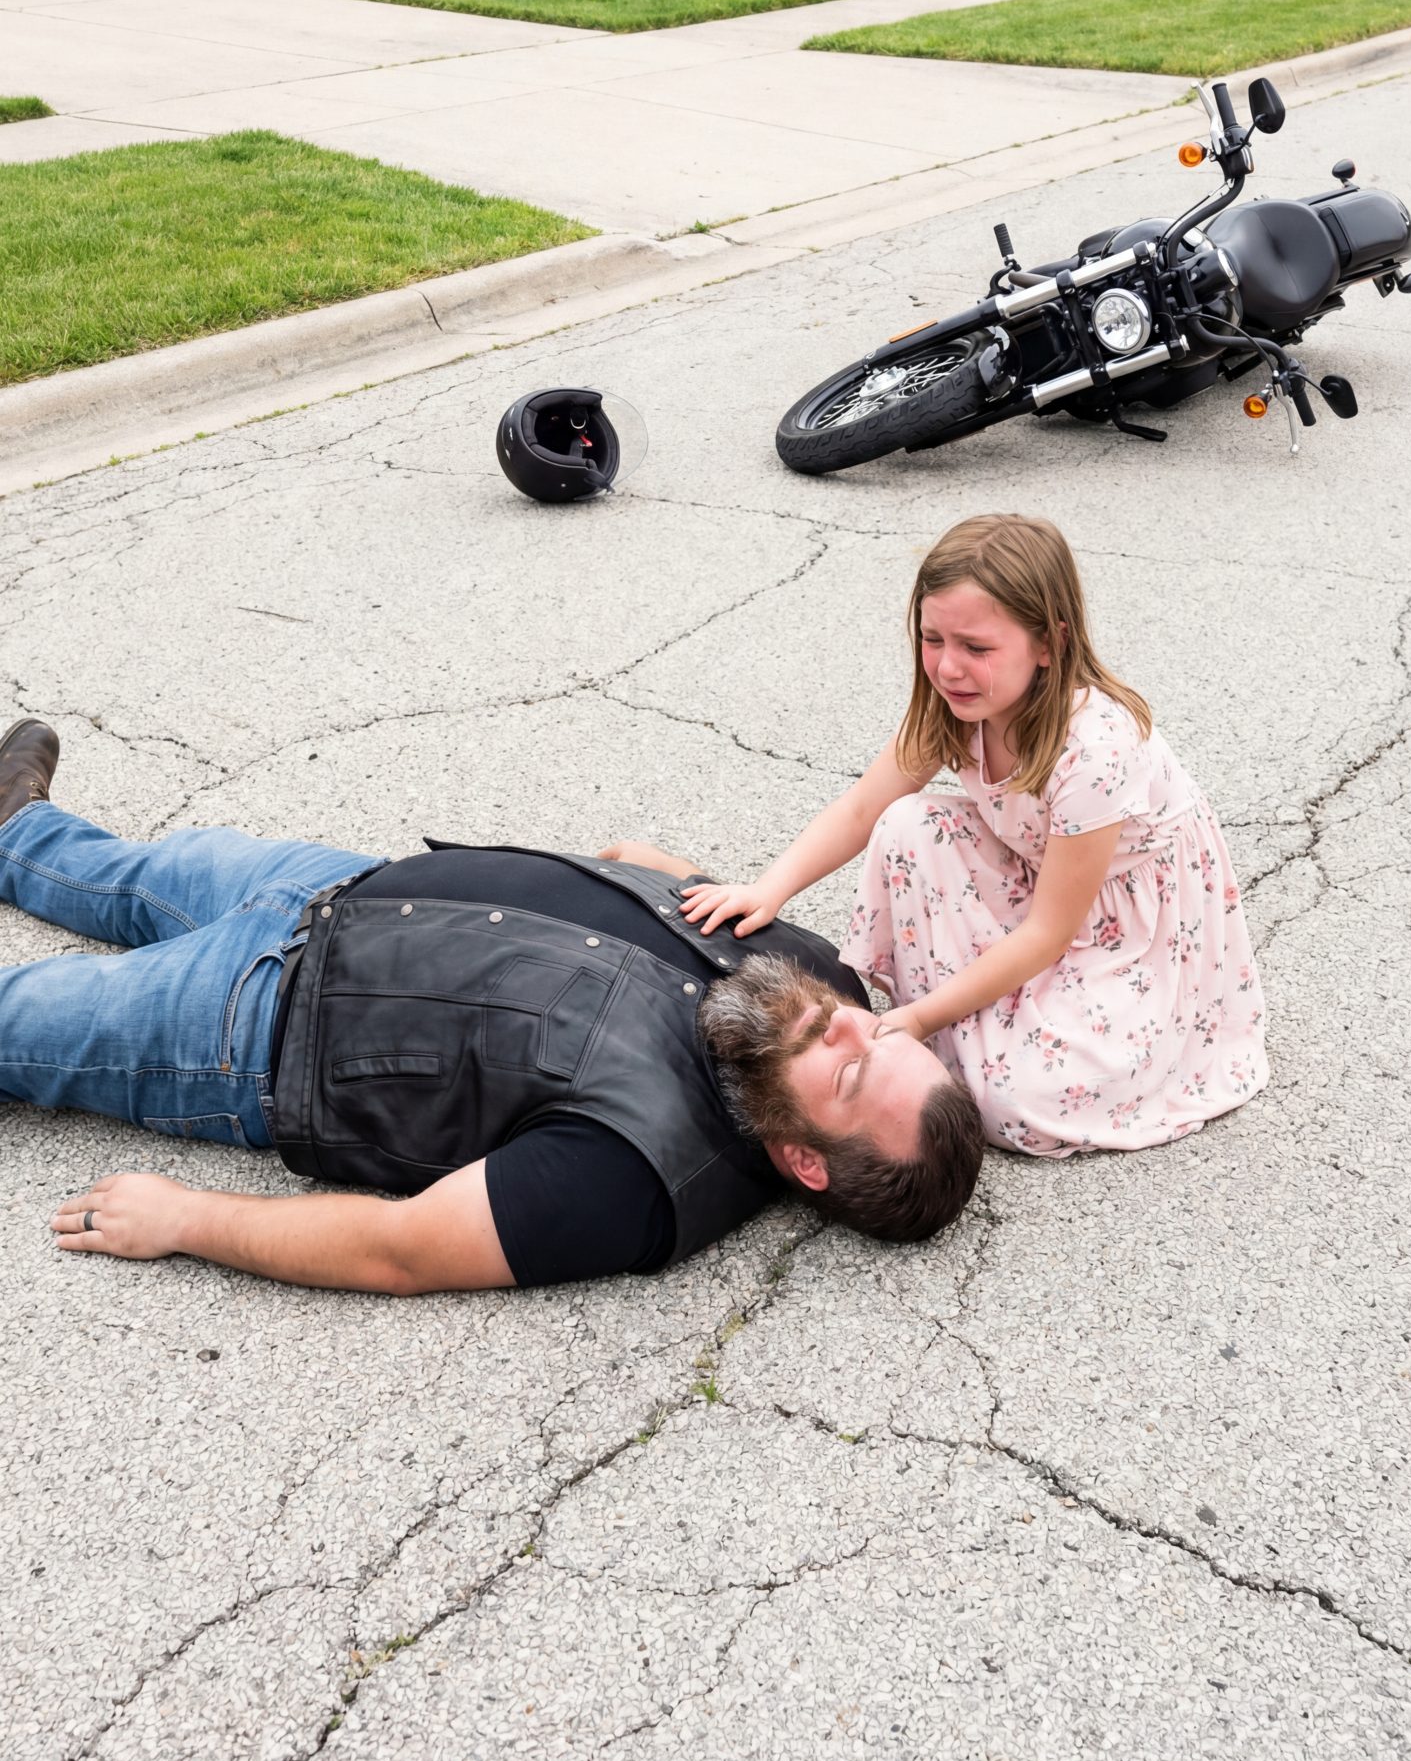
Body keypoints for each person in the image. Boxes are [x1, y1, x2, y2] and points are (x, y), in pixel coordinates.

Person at [0, 721, 983, 1291]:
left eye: (854, 1066)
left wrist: (188, 1220)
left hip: (253, 1028)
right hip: (354, 888)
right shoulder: (821, 993)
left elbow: (404, 1248)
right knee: (136, 875)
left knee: (18, 1017)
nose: (850, 1019)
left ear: (803, 1158)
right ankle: (22, 829)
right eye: (886, 1030)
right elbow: (682, 886)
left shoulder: (638, 1184)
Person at [682, 513, 1268, 1157]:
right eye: (933, 639)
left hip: (1121, 919)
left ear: (1050, 643)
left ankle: (964, 1025)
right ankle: (976, 1023)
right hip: (1037, 869)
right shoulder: (954, 706)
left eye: (976, 648)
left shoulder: (1097, 750)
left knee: (1014, 1104)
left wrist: (921, 1017)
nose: (949, 667)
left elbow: (1051, 932)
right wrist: (769, 889)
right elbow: (861, 808)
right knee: (907, 824)